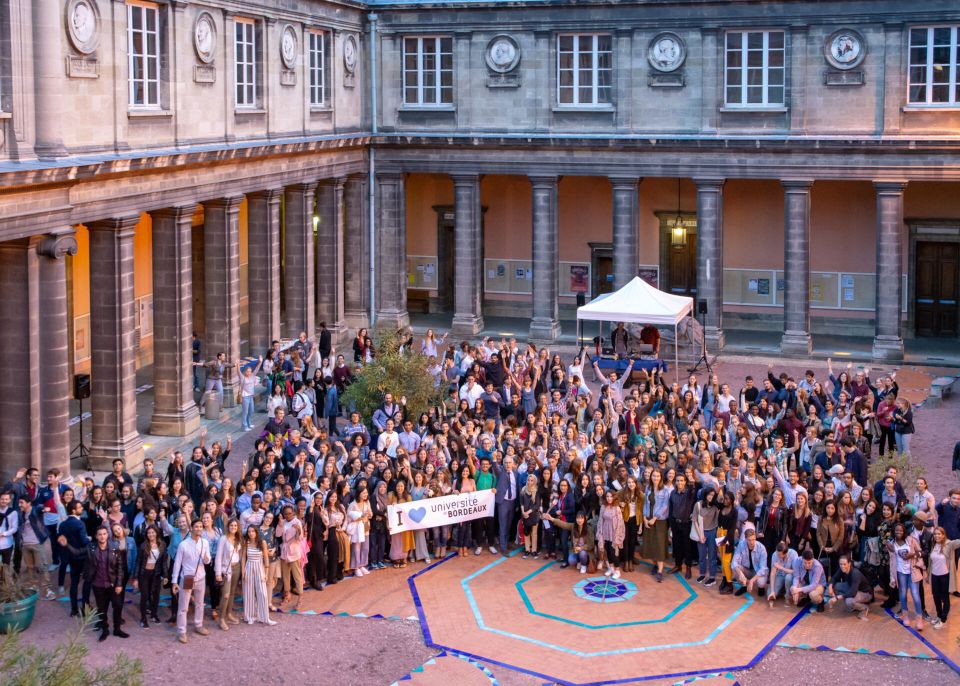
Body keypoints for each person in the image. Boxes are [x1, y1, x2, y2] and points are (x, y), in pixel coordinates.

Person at [84, 526, 127, 641]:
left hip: (113, 585)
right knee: (102, 609)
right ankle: (105, 630)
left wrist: (119, 584)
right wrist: (66, 544)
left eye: (104, 534)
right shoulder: (91, 548)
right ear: (96, 536)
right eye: (100, 534)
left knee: (117, 606)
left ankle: (117, 629)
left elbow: (120, 567)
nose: (102, 536)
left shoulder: (115, 547)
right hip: (98, 585)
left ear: (107, 535)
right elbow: (82, 558)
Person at [889, 521, 925, 631]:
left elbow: (921, 553)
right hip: (900, 573)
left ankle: (919, 619)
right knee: (903, 595)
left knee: (915, 595)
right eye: (896, 530)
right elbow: (891, 561)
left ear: (904, 531)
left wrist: (912, 555)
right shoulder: (891, 544)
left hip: (912, 571)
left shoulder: (911, 540)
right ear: (894, 532)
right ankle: (905, 616)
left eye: (900, 530)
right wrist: (892, 576)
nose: (898, 532)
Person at [241, 525, 277, 626]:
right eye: (249, 532)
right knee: (249, 593)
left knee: (263, 594)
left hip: (259, 568)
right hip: (249, 567)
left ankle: (265, 617)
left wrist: (266, 573)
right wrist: (243, 572)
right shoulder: (246, 543)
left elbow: (266, 558)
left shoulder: (262, 542)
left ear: (256, 532)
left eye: (253, 531)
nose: (251, 533)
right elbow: (243, 558)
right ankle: (250, 616)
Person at [133, 524, 168, 628]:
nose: (151, 534)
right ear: (146, 534)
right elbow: (138, 562)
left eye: (153, 532)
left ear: (157, 533)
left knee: (156, 595)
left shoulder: (162, 544)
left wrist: (165, 575)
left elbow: (164, 562)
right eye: (149, 533)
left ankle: (154, 614)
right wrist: (135, 578)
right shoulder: (143, 546)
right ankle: (143, 618)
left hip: (156, 574)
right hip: (144, 574)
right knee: (144, 596)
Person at [214, 518, 243, 631]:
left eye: (235, 526)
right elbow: (218, 556)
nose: (233, 527)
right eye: (231, 525)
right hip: (226, 569)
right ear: (228, 526)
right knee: (225, 594)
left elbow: (240, 554)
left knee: (232, 593)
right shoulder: (223, 539)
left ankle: (229, 614)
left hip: (237, 568)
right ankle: (221, 618)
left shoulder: (238, 539)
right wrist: (218, 572)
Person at [277, 505, 305, 610]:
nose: (288, 515)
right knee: (285, 575)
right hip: (284, 552)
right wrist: (279, 524)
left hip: (294, 552)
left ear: (293, 512)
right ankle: (287, 595)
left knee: (297, 575)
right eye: (286, 514)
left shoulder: (297, 522)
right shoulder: (283, 522)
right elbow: (278, 534)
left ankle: (300, 598)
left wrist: (298, 531)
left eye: (290, 513)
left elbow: (300, 538)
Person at [827, 555, 873, 620]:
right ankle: (853, 605)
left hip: (866, 593)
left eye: (844, 564)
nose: (842, 566)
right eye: (841, 564)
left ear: (849, 564)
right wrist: (830, 587)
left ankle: (865, 608)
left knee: (849, 601)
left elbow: (853, 592)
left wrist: (836, 598)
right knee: (835, 586)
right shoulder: (842, 569)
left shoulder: (855, 573)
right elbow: (834, 578)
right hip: (852, 587)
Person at [597, 490, 626, 579]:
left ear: (614, 497)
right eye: (607, 496)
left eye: (611, 496)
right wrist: (600, 533)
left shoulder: (617, 508)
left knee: (614, 552)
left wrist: (617, 536)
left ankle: (617, 570)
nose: (609, 498)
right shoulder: (603, 507)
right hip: (605, 532)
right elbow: (600, 520)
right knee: (608, 551)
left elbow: (620, 523)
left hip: (614, 533)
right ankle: (611, 568)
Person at [731, 529, 768, 598]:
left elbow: (763, 569)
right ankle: (744, 586)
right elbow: (734, 562)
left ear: (755, 538)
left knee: (761, 583)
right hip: (747, 570)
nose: (752, 542)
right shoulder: (741, 544)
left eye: (753, 539)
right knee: (735, 569)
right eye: (749, 540)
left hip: (757, 571)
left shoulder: (762, 548)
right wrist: (740, 574)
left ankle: (760, 588)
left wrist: (752, 581)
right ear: (745, 539)